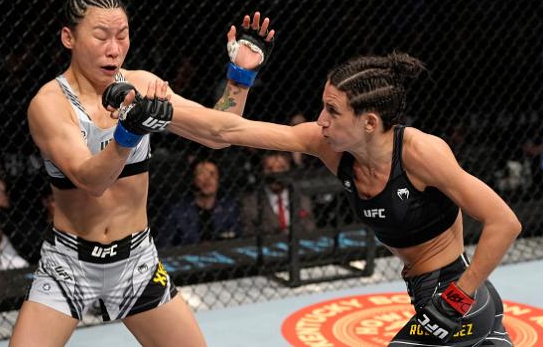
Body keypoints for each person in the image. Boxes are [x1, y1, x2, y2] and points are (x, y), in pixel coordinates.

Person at [165, 52, 522, 346]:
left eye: (333, 111)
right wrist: (235, 76)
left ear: (368, 122)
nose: (320, 120)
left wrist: (456, 300)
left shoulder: (420, 153)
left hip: (458, 295)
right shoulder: (329, 147)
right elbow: (225, 131)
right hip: (430, 292)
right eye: (323, 107)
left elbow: (504, 221)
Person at [11, 0, 275, 345]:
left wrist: (240, 78)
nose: (114, 48)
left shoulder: (143, 85)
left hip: (136, 262)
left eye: (122, 36)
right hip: (68, 265)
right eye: (101, 36)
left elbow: (219, 132)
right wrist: (129, 132)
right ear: (68, 37)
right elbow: (92, 180)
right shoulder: (50, 104)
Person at [155, 158, 240, 247]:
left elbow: (237, 237)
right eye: (202, 174)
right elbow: (163, 245)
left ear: (218, 179)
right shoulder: (176, 211)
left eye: (212, 174)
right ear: (194, 179)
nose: (208, 180)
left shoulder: (229, 207)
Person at [240, 151, 315, 237]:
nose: (276, 175)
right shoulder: (251, 202)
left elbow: (310, 227)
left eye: (281, 168)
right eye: (269, 169)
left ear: (289, 169)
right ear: (262, 171)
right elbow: (249, 234)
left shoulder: (302, 197)